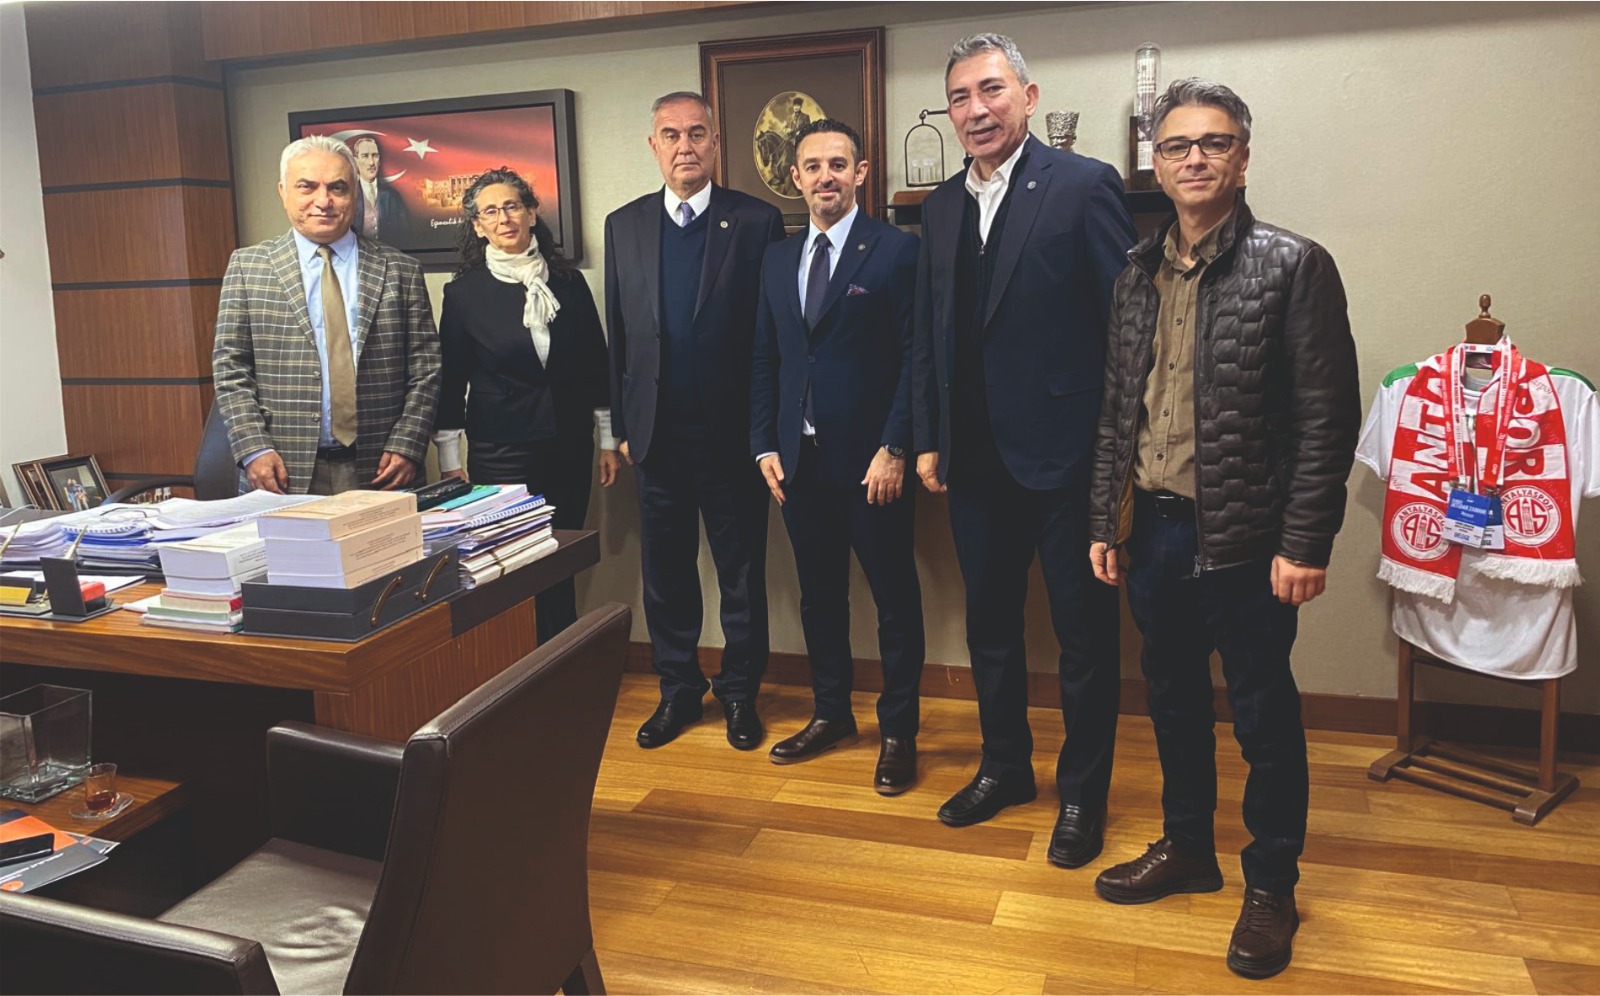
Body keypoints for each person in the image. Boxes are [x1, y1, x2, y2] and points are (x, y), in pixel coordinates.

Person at [1086, 79, 1360, 980]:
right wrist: (1107, 519)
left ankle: (1271, 883)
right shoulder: (1135, 273)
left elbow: (1327, 418)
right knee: (1171, 701)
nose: (1194, 158)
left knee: (1263, 717)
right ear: (1157, 165)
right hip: (1155, 530)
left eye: (1214, 143)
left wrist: (1305, 542)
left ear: (1243, 159)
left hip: (1247, 540)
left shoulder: (1294, 265)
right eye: (1176, 146)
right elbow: (1118, 410)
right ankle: (1188, 847)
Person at [909, 33, 1137, 861]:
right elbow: (927, 334)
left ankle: (1083, 798)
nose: (976, 109)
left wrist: (1116, 463)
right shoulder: (938, 207)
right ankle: (1005, 766)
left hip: (1067, 459)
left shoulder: (1083, 186)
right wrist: (927, 438)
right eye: (960, 96)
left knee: (1084, 639)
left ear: (1029, 98)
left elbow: (1125, 330)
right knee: (991, 628)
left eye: (992, 90)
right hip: (972, 461)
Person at [605, 91, 785, 751]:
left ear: (715, 141)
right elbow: (619, 336)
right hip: (656, 437)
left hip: (732, 437)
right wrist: (621, 427)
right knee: (666, 575)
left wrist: (765, 430)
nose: (685, 146)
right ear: (654, 145)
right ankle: (677, 690)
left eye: (697, 133)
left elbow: (771, 336)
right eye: (671, 135)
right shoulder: (623, 225)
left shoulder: (758, 221)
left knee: (741, 574)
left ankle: (739, 692)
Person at [751, 119, 925, 794]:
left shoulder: (896, 251)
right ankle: (831, 714)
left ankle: (899, 731)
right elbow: (766, 357)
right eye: (813, 166)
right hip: (799, 462)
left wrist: (896, 445)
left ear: (860, 173)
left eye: (838, 164)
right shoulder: (777, 259)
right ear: (795, 178)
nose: (826, 176)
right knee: (819, 596)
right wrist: (764, 442)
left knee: (893, 601)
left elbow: (915, 357)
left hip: (872, 463)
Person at [432, 167, 619, 644]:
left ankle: (560, 658)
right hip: (502, 450)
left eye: (513, 206)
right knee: (511, 564)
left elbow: (596, 364)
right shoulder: (463, 294)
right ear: (478, 227)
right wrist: (450, 459)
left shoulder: (569, 283)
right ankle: (518, 664)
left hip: (568, 444)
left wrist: (607, 440)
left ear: (532, 214)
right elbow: (451, 380)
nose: (504, 218)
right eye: (491, 212)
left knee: (560, 555)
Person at [214, 135, 440, 496]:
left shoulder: (400, 270)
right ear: (283, 192)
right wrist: (253, 448)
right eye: (307, 187)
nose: (323, 201)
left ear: (356, 194)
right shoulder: (248, 267)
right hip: (280, 471)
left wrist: (408, 443)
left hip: (383, 469)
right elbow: (231, 367)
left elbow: (426, 369)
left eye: (338, 188)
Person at [349, 134, 411, 244]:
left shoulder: (393, 196)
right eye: (365, 156)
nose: (371, 162)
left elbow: (404, 235)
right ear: (355, 161)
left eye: (375, 156)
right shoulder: (348, 196)